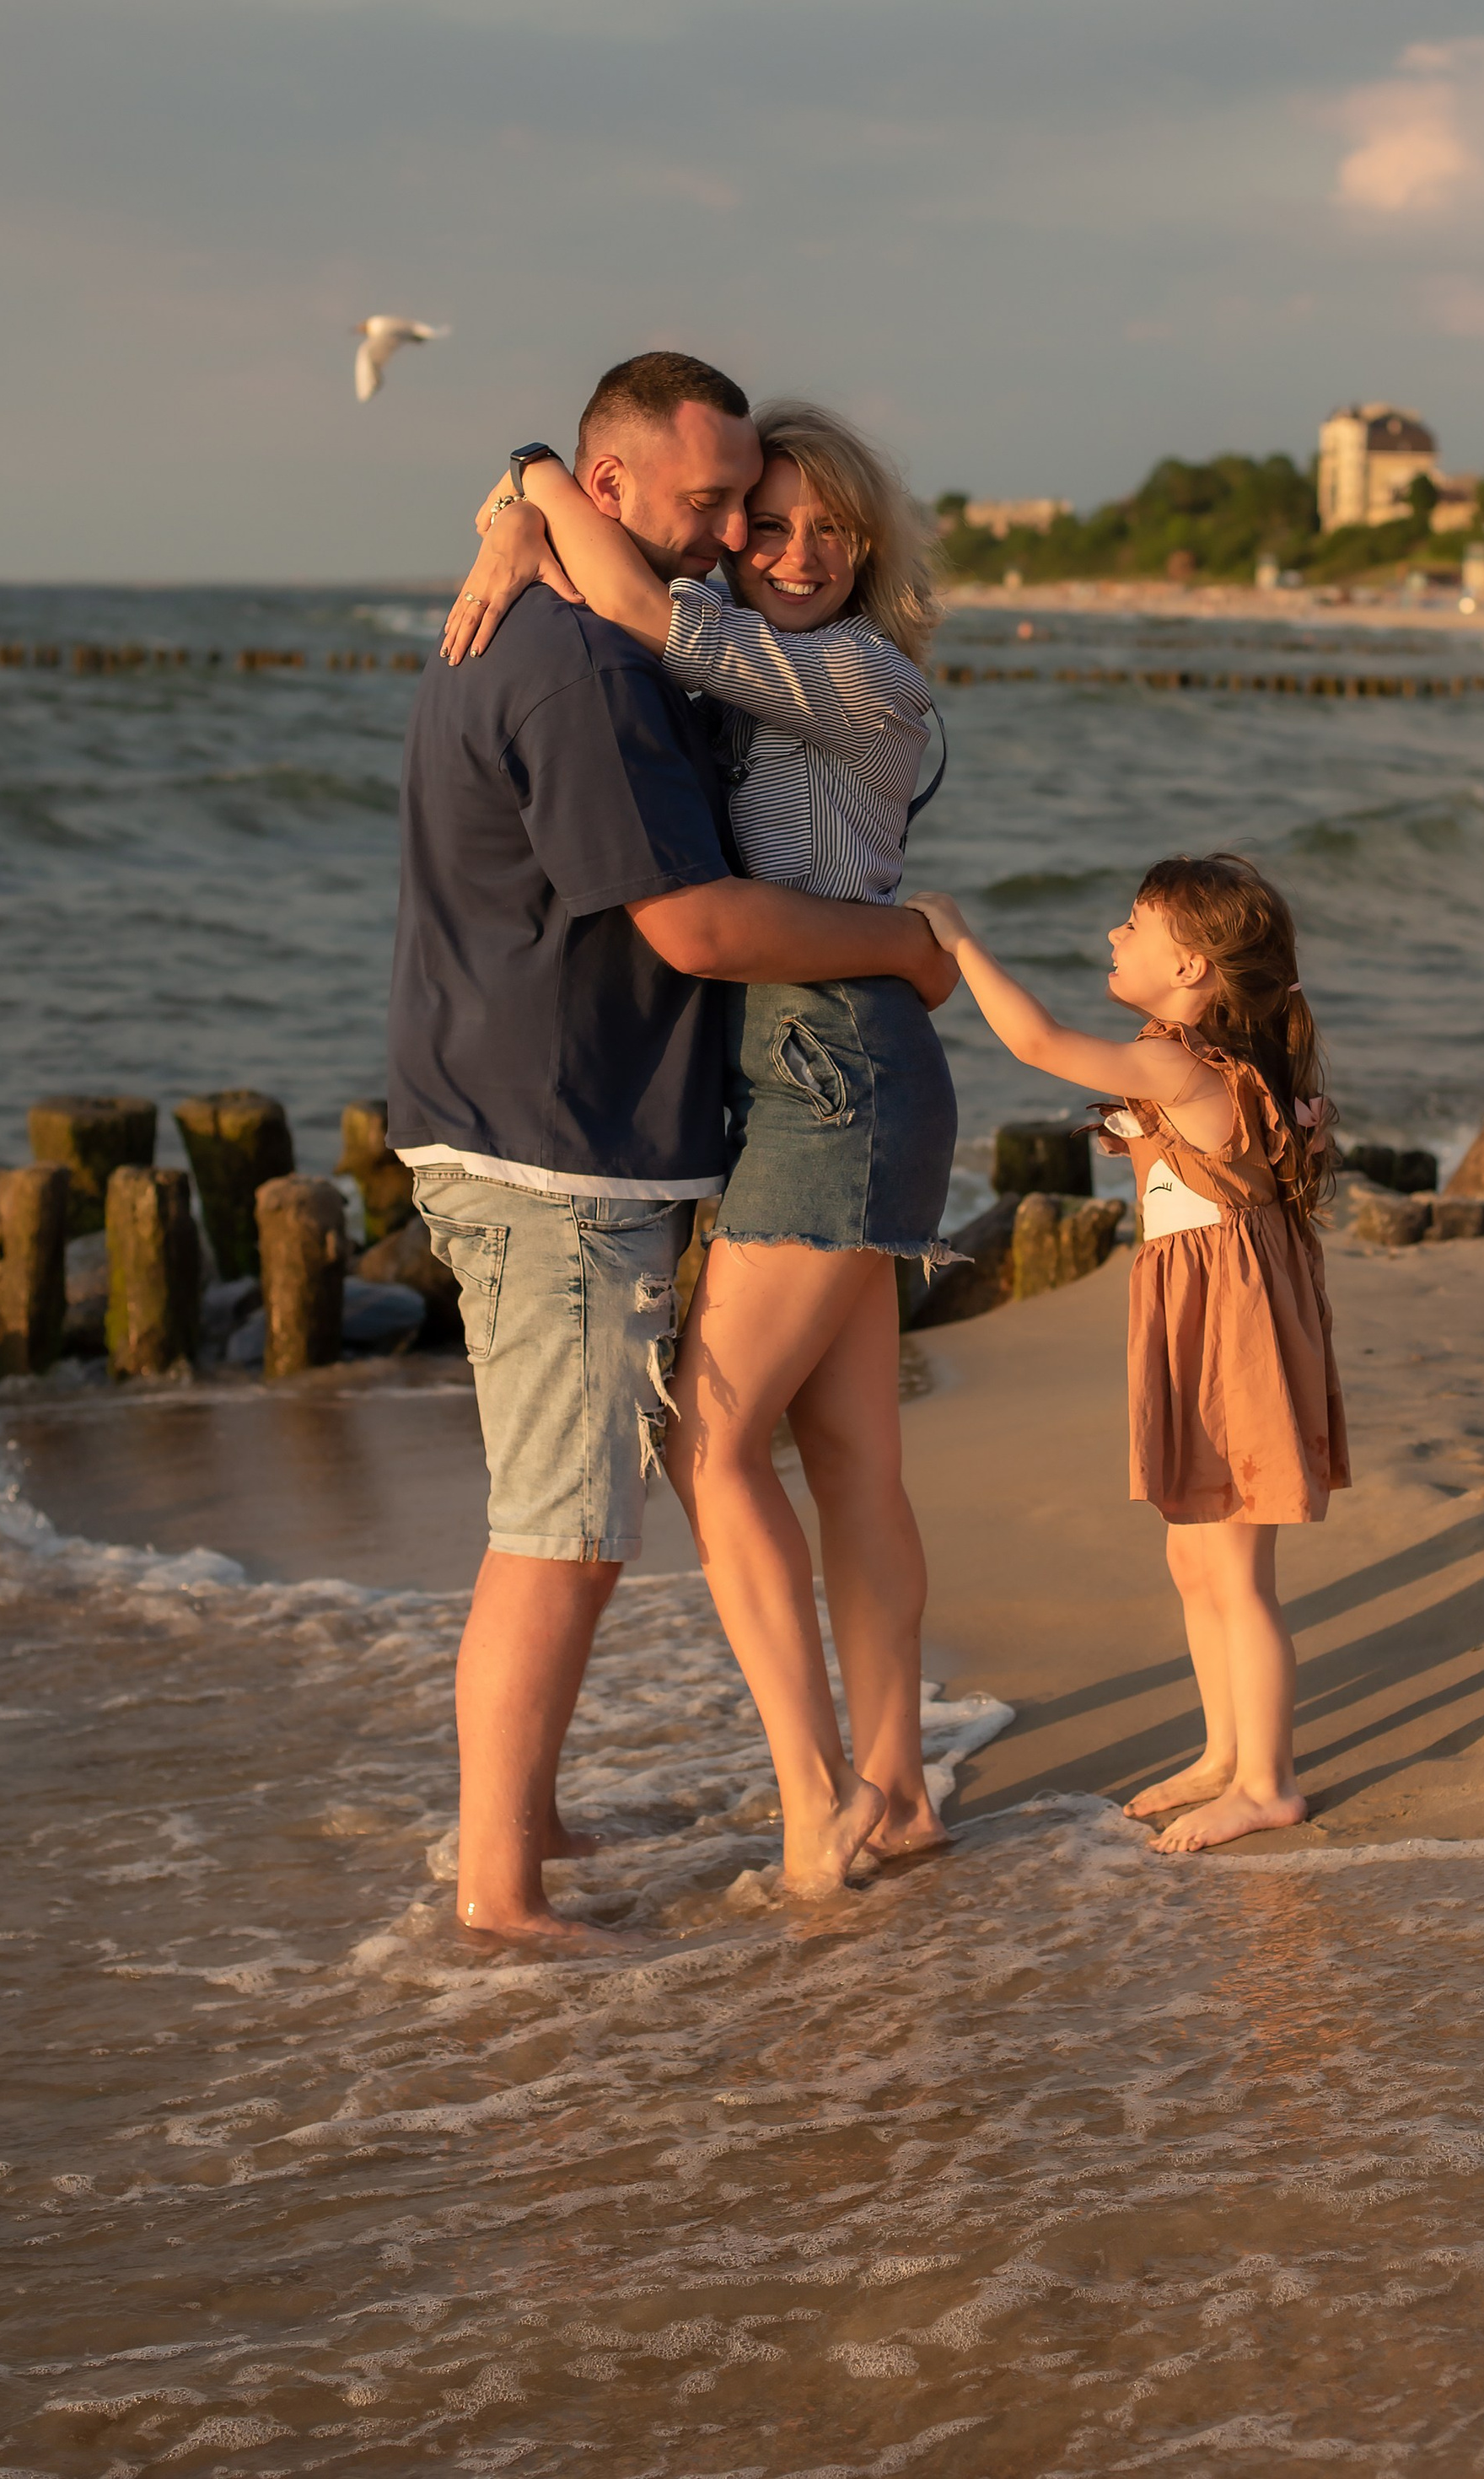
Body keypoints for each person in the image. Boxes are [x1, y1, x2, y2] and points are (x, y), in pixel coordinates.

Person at [389, 352, 956, 1949]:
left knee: (721, 1464)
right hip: (656, 1111)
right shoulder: (592, 653)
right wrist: (906, 941)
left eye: (797, 521)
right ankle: (539, 1869)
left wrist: (533, 500)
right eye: (731, 513)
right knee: (606, 1506)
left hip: (820, 1075)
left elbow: (662, 619)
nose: (756, 545)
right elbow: (700, 924)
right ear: (617, 493)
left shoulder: (842, 674)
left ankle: (838, 1799)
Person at [904, 855, 1347, 1852]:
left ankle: (1269, 1782)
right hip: (1208, 1320)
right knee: (1192, 1557)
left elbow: (1033, 1040)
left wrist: (960, 939)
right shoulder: (1188, 1058)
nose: (1113, 935)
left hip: (1228, 1336)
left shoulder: (1184, 1070)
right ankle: (1223, 1753)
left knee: (1234, 1570)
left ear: (1190, 967)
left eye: (1133, 923)